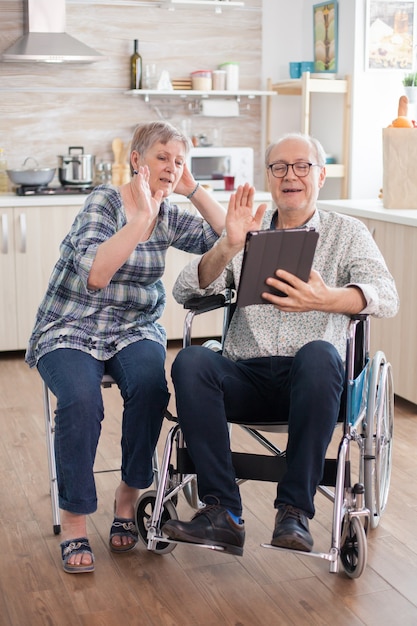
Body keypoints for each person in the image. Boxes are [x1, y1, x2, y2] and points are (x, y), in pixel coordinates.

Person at [162, 132, 399, 556]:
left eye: (302, 166)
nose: (291, 175)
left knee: (321, 354)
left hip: (314, 381)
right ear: (270, 176)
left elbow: (386, 293)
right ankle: (222, 513)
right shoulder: (248, 231)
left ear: (321, 175)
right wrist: (228, 245)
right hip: (246, 375)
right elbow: (185, 291)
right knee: (191, 362)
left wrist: (329, 299)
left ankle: (294, 510)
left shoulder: (348, 233)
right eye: (280, 167)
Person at [25, 121, 226, 573]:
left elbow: (232, 237)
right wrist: (140, 220)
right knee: (80, 400)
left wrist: (192, 189)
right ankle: (75, 520)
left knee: (152, 389)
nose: (171, 168)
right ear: (137, 160)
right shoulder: (104, 202)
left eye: (179, 162)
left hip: (133, 327)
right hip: (70, 325)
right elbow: (96, 276)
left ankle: (129, 495)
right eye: (162, 158)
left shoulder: (171, 212)